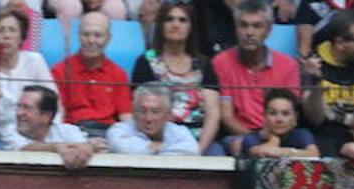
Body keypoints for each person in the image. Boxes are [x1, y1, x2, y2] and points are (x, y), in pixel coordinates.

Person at [131, 0, 221, 155]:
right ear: (161, 25)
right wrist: (161, 145)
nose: (175, 24)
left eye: (182, 20)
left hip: (200, 141)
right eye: (169, 19)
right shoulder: (146, 61)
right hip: (159, 141)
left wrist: (197, 151)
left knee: (217, 154)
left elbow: (213, 115)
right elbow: (141, 111)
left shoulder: (204, 63)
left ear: (191, 27)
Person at [213, 0, 301, 156]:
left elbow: (290, 113)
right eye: (243, 25)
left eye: (257, 26)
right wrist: (257, 137)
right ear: (235, 28)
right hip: (239, 135)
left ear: (269, 30)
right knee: (238, 145)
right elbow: (227, 117)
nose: (249, 32)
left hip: (281, 133)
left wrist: (273, 138)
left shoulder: (288, 65)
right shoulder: (221, 62)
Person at [301, 9, 354, 156]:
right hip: (325, 138)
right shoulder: (313, 64)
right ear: (340, 43)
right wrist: (317, 82)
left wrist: (338, 117)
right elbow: (316, 118)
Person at [0, 8, 57, 147]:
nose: (6, 36)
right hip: (0, 141)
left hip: (39, 135)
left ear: (21, 37)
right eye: (0, 31)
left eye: (12, 30)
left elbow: (54, 103)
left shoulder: (35, 61)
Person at [51, 11, 131, 137]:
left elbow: (125, 115)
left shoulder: (119, 74)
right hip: (74, 132)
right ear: (78, 36)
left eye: (98, 35)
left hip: (109, 133)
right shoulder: (60, 70)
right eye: (86, 34)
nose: (91, 40)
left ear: (108, 39)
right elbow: (58, 114)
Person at [0, 83, 104, 167]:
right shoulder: (9, 131)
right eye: (19, 107)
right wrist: (57, 148)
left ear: (46, 116)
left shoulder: (68, 130)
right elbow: (24, 149)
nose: (19, 113)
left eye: (26, 108)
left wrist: (89, 147)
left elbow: (84, 147)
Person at [106, 83, 199, 154]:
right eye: (142, 111)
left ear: (169, 115)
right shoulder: (119, 129)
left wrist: (154, 148)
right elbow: (123, 148)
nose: (148, 118)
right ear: (133, 112)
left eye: (156, 112)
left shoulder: (180, 131)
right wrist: (165, 148)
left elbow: (192, 150)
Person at [240, 87, 318, 157]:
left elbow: (313, 154)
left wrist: (283, 152)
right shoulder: (251, 138)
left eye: (285, 114)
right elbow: (264, 152)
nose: (279, 119)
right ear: (264, 116)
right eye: (273, 113)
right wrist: (274, 139)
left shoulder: (301, 134)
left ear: (295, 118)